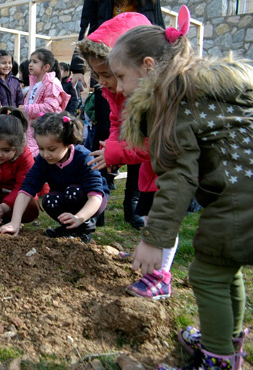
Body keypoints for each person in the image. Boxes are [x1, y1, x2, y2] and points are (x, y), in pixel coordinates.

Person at [109, 13, 253, 368]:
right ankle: (225, 342)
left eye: (121, 76)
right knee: (222, 265)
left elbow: (176, 178)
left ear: (147, 66)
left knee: (205, 273)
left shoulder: (174, 104)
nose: (118, 88)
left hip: (241, 195)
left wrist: (155, 238)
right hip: (243, 186)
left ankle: (215, 360)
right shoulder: (205, 90)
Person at [77, 12, 174, 299]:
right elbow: (120, 124)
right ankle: (149, 256)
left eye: (110, 74)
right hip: (151, 166)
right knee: (148, 212)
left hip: (169, 169)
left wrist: (117, 151)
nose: (107, 82)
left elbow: (156, 144)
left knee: (163, 216)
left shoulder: (160, 97)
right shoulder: (119, 88)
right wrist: (113, 148)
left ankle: (161, 276)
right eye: (99, 75)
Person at [0, 112, 109, 243]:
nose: (45, 154)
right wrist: (15, 222)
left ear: (68, 143)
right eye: (41, 148)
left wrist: (79, 217)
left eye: (51, 149)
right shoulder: (42, 160)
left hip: (92, 199)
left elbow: (95, 195)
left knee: (73, 192)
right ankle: (68, 228)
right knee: (49, 200)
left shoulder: (84, 157)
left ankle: (85, 226)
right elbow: (26, 190)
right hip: (64, 196)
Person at [19, 48, 70, 157]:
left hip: (46, 132)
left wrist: (27, 109)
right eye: (30, 61)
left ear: (46, 67)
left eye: (35, 62)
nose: (30, 64)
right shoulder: (35, 82)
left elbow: (50, 108)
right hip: (33, 131)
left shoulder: (51, 84)